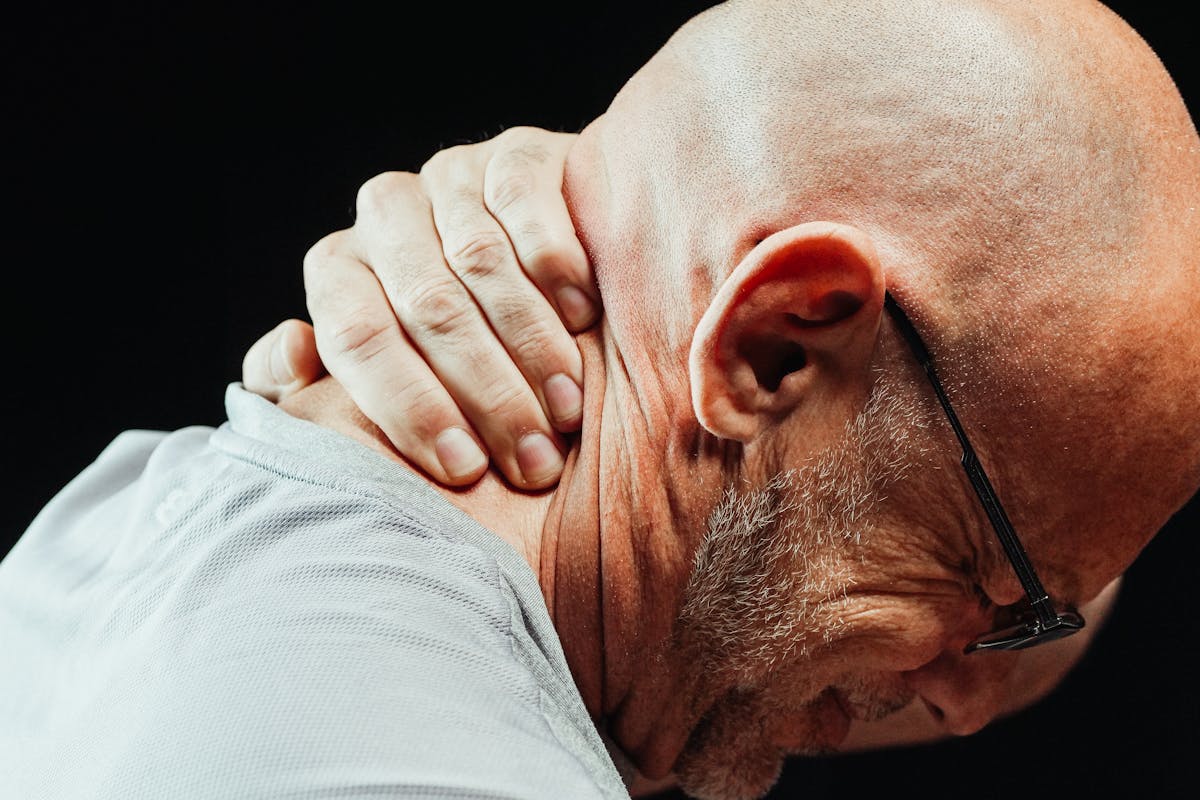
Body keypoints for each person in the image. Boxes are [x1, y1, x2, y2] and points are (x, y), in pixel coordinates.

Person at [3, 3, 1198, 800]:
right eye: (998, 595)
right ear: (776, 348)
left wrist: (631, 215)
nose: (964, 702)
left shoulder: (114, 525)